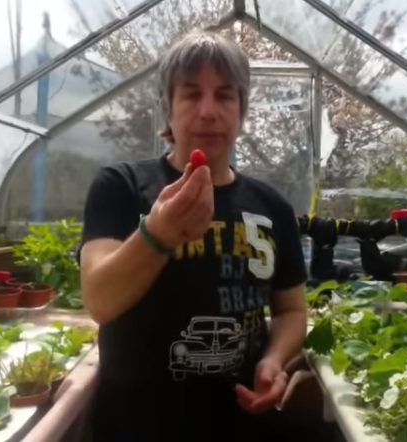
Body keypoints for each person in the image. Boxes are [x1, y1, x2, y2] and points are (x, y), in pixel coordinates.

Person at [79, 31, 309, 441]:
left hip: (241, 425)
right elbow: (99, 300)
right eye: (190, 94)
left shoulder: (271, 206)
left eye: (224, 95)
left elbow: (291, 310)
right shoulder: (122, 187)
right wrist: (158, 234)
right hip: (138, 428)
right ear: (169, 109)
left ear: (241, 110)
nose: (208, 111)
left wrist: (274, 360)